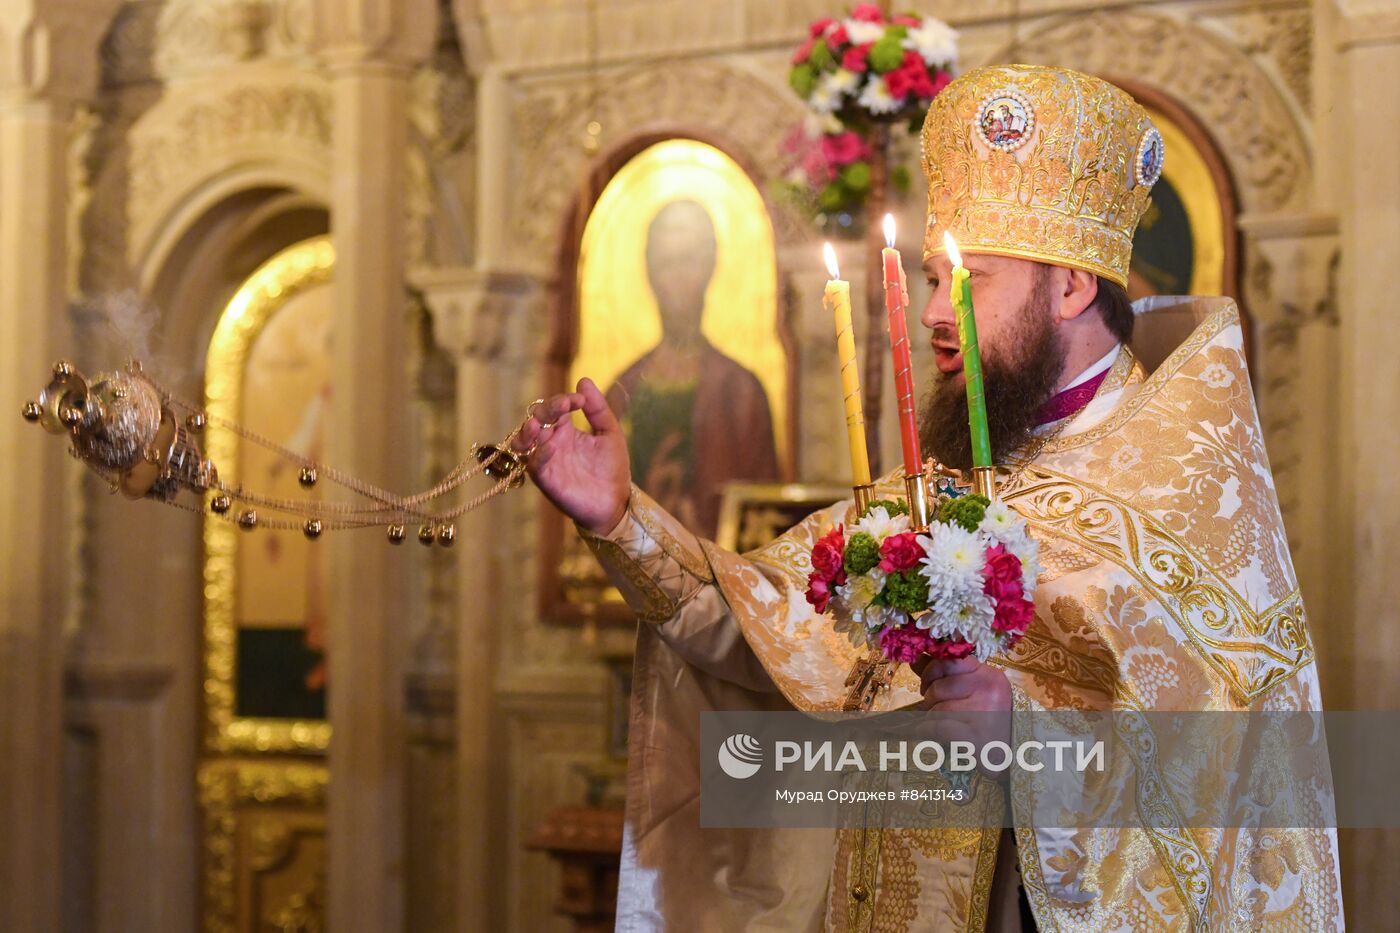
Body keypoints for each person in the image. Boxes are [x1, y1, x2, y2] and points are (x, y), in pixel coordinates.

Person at [513, 65, 1342, 931]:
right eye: (931, 279)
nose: (936, 313)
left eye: (969, 279)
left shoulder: (1186, 488)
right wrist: (617, 518)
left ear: (1071, 286)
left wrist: (1023, 746)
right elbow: (765, 629)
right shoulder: (936, 478)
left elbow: (1237, 787)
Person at [604, 199, 779, 536]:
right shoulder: (621, 392)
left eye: (689, 260)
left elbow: (763, 517)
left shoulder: (741, 391)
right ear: (649, 273)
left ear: (711, 267)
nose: (678, 278)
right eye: (666, 262)